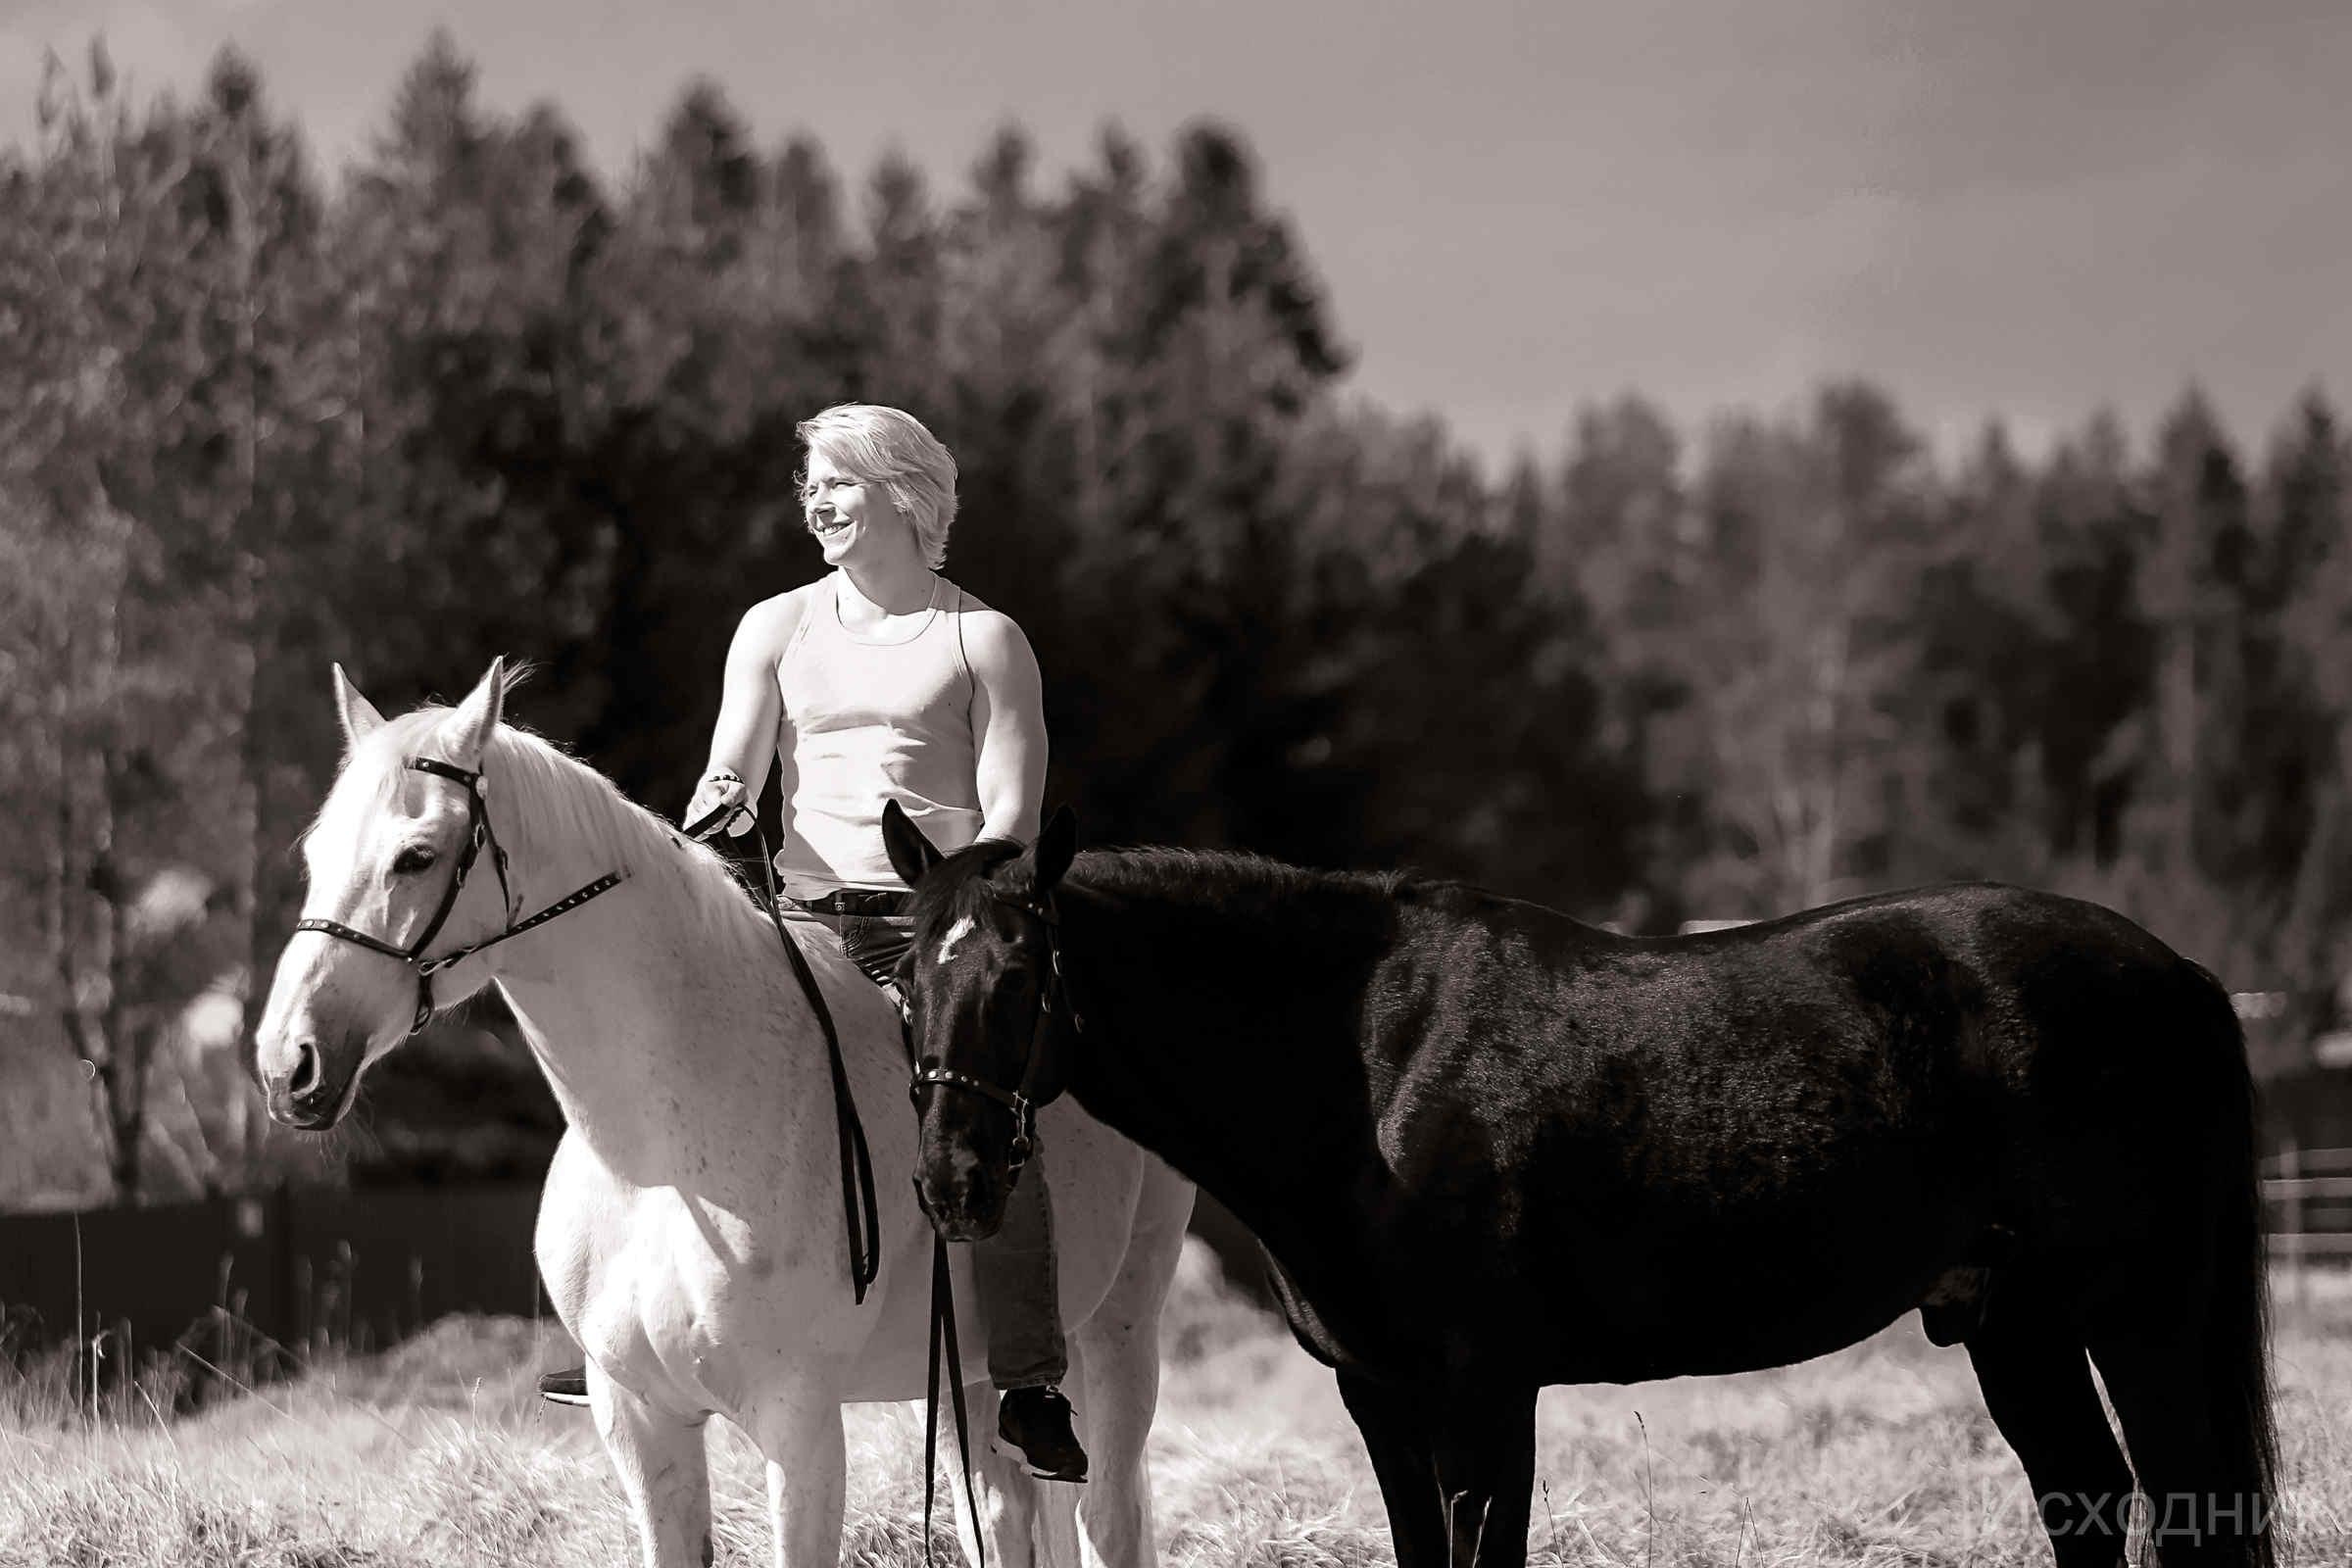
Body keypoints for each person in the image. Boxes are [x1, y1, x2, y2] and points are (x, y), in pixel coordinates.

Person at [536, 404, 1087, 1484]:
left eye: (836, 481)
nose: (816, 503)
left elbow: (1012, 815)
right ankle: (608, 1331)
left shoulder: (985, 640)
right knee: (650, 1062)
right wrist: (717, 805)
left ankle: (1025, 1379)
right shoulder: (775, 627)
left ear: (900, 489)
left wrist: (962, 905)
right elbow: (733, 763)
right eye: (809, 487)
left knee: (992, 1108)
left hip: (936, 926)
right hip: (796, 921)